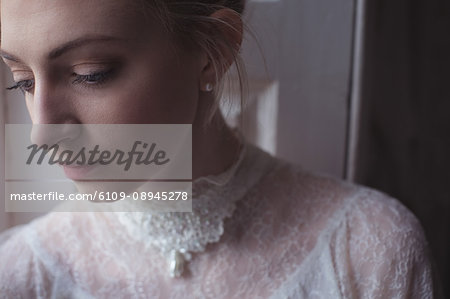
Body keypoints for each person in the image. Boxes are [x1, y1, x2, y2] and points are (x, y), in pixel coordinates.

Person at [0, 0, 438, 298]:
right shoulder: (22, 273)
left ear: (213, 52)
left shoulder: (368, 249)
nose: (42, 134)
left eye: (90, 73)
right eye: (23, 80)